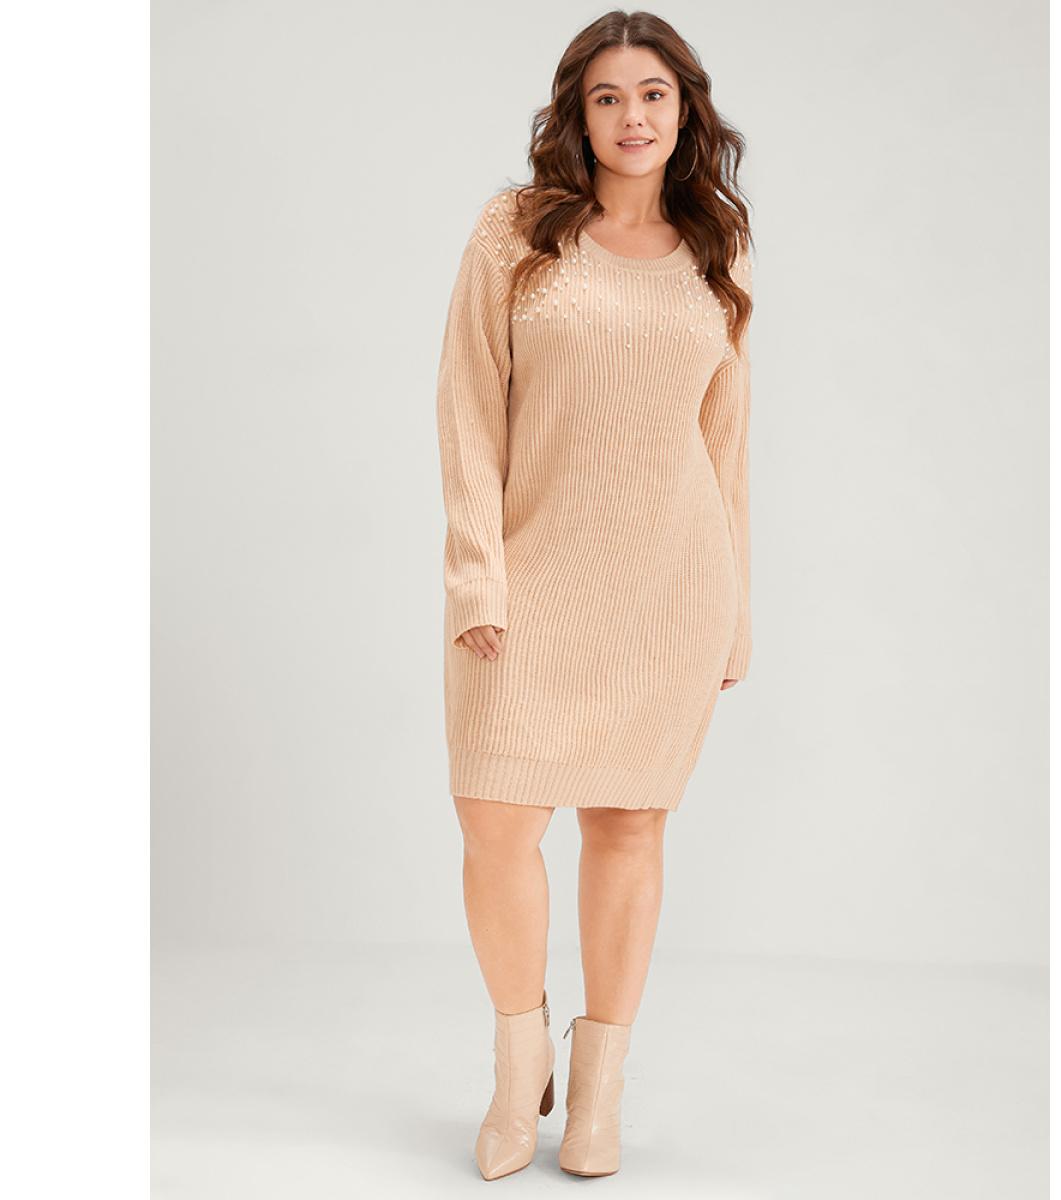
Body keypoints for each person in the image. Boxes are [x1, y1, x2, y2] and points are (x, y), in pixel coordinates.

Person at [435, 9, 754, 1180]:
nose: (632, 116)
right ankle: (519, 1067)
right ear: (576, 113)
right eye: (608, 96)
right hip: (526, 580)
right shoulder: (516, 232)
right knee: (497, 822)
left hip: (670, 588)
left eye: (653, 95)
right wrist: (478, 571)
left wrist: (736, 609)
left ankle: (600, 1091)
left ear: (685, 111)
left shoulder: (716, 249)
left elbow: (728, 443)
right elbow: (468, 408)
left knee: (628, 824)